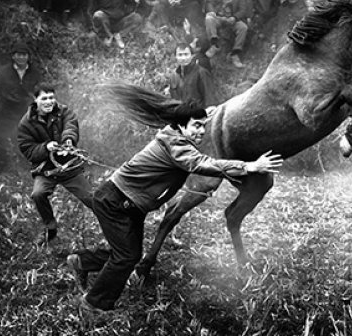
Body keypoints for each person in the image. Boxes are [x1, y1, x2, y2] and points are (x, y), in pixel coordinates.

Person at [66, 88, 283, 312]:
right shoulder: (177, 146)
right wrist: (249, 166)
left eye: (203, 126)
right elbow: (202, 164)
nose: (201, 132)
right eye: (196, 126)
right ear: (181, 126)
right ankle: (94, 303)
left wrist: (205, 115)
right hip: (117, 202)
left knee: (128, 254)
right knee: (127, 256)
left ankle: (81, 261)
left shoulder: (176, 133)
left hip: (130, 204)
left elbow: (197, 122)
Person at [17, 85, 95, 244]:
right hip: (46, 170)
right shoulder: (25, 123)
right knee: (38, 194)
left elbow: (70, 126)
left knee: (92, 199)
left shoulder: (64, 111)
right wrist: (46, 147)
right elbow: (28, 150)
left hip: (69, 167)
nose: (49, 102)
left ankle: (113, 222)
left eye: (51, 97)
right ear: (35, 100)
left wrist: (68, 141)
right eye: (44, 98)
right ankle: (50, 228)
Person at [0, 42, 42, 166]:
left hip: (27, 112)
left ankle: (26, 164)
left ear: (28, 57)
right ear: (13, 56)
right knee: (4, 138)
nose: (22, 58)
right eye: (18, 55)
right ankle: (8, 165)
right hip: (7, 112)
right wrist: (0, 110)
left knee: (28, 137)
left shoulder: (34, 72)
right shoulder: (2, 72)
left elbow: (39, 90)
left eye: (24, 55)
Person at [167, 44, 219, 109]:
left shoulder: (201, 73)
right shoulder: (173, 76)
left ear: (192, 56)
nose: (183, 58)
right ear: (175, 57)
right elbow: (174, 101)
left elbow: (210, 101)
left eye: (186, 54)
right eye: (180, 55)